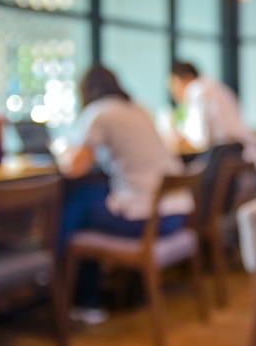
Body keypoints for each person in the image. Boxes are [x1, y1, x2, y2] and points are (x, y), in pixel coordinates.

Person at [53, 63, 192, 324]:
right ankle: (82, 295)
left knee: (78, 202)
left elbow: (74, 167)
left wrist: (61, 152)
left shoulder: (98, 112)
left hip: (148, 219)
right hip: (176, 214)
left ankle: (68, 292)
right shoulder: (139, 109)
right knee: (90, 196)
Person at [166, 61, 256, 226]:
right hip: (243, 155)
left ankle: (195, 231)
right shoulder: (218, 87)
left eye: (173, 86)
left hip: (224, 154)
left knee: (184, 185)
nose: (174, 93)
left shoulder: (196, 89)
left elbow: (199, 138)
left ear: (182, 79)